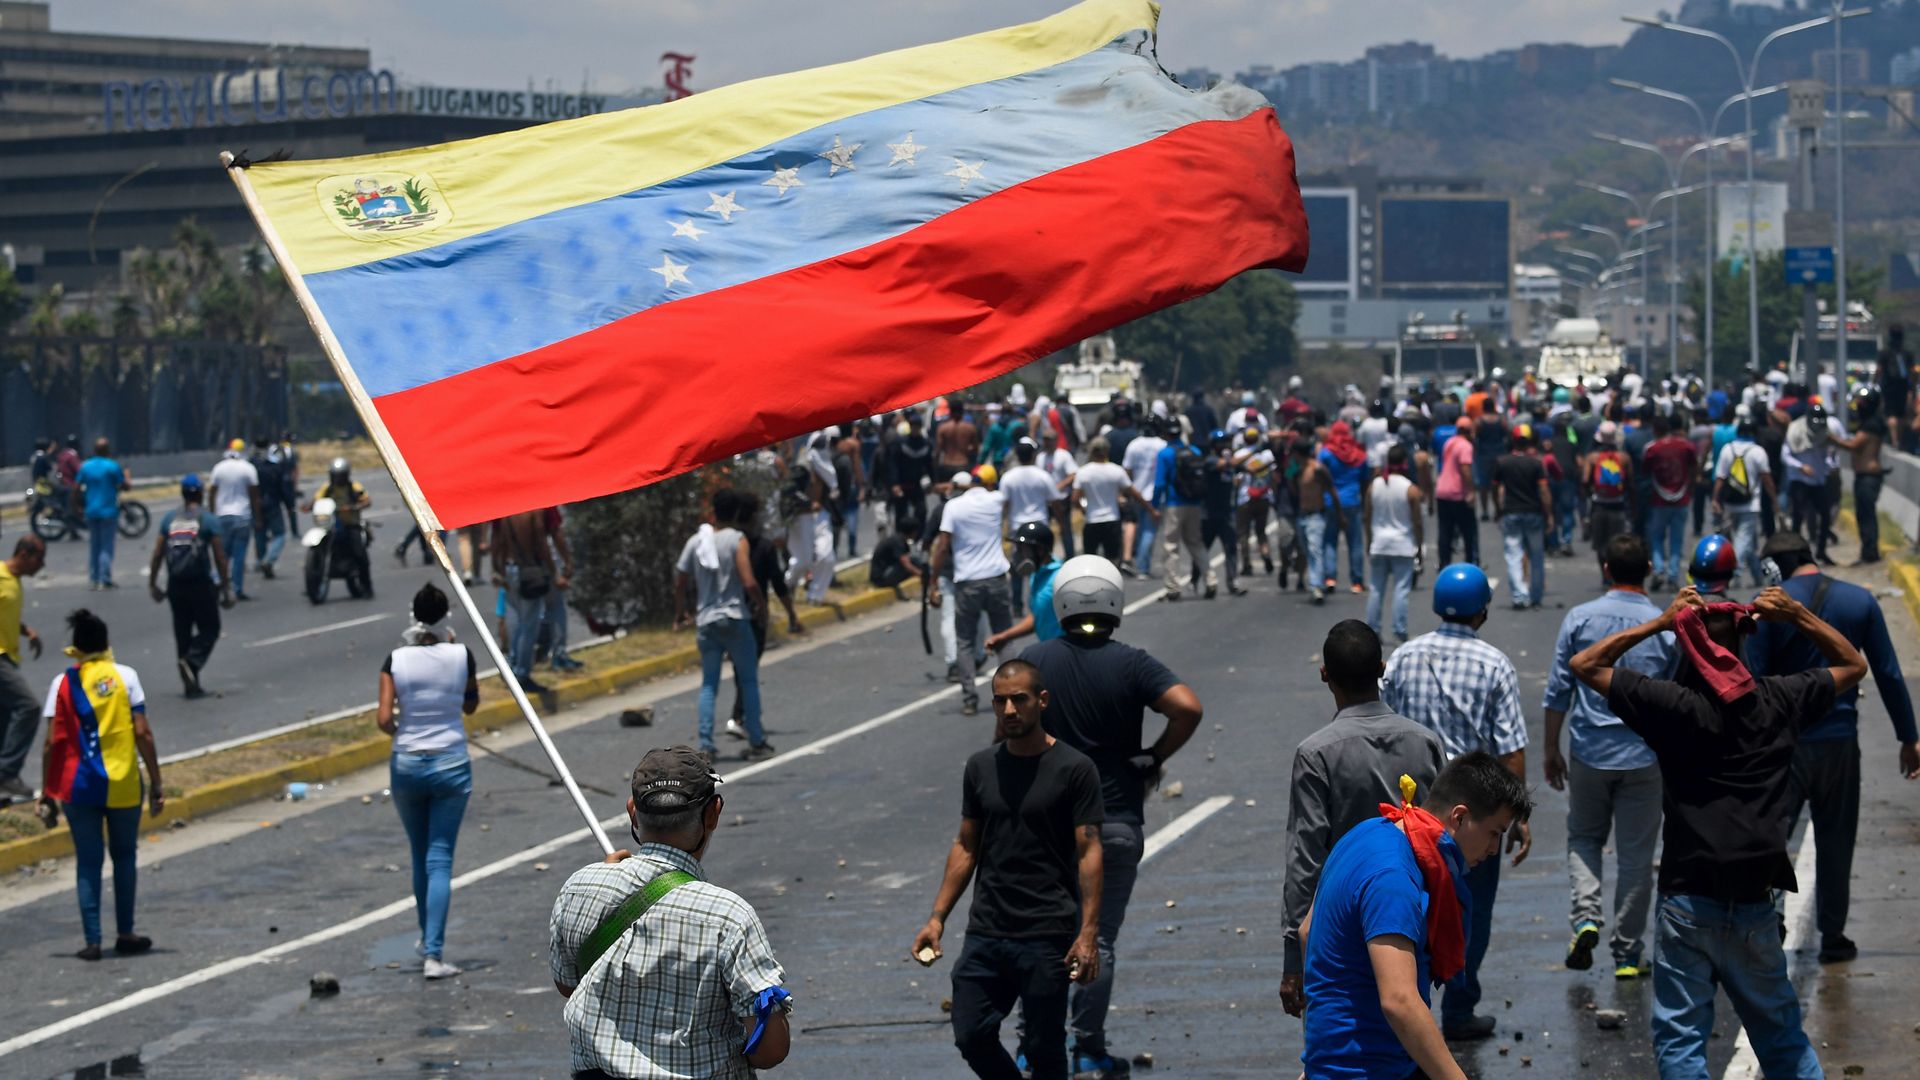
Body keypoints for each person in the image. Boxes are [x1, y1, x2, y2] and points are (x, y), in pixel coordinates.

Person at [1570, 585, 1866, 1080]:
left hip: (1689, 896)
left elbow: (1584, 665)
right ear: (1744, 642)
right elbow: (1853, 665)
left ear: (1689, 645)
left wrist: (1660, 623)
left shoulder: (1669, 704)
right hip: (1754, 899)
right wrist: (1795, 616)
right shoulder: (1780, 700)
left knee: (1682, 1041)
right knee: (1783, 1042)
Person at [1018, 558, 1202, 1075]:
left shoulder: (1034, 661)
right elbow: (1187, 706)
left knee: (1042, 936)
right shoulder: (1133, 663)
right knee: (1097, 938)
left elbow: (1007, 740)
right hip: (1116, 820)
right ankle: (1089, 1049)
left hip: (1046, 827)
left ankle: (1034, 1045)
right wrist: (1154, 755)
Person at [912, 660, 1103, 1080]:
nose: (1010, 710)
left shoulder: (1074, 769)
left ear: (1042, 701)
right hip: (988, 931)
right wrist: (937, 918)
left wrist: (1088, 934)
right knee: (971, 1033)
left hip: (1047, 932)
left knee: (1043, 1046)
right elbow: (966, 846)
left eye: (1020, 699)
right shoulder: (981, 767)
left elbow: (1089, 850)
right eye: (1001, 701)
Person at [550, 747, 792, 1078]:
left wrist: (604, 883)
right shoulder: (729, 917)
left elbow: (569, 983)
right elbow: (770, 1050)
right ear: (713, 814)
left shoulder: (580, 887)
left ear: (633, 811)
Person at [1298, 752, 1533, 1080]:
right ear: (1460, 817)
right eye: (1495, 832)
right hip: (1372, 1068)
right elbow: (1399, 1000)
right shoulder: (1394, 877)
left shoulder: (1366, 832)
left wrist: (1321, 1055)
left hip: (1336, 1062)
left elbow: (1308, 932)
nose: (1495, 848)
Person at [1747, 531, 1919, 963]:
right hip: (1840, 743)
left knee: (1769, 839)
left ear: (1773, 567)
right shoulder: (1859, 600)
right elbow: (1888, 674)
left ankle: (1766, 923)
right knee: (1836, 841)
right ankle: (1834, 936)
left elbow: (1753, 682)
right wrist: (1908, 738)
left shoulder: (1767, 607)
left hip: (1783, 747)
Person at [1380, 563, 1530, 1040]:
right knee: (1471, 912)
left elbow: (1381, 720)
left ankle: (1412, 1007)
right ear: (1482, 611)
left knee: (1409, 910)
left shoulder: (1404, 656)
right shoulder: (1494, 664)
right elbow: (1511, 749)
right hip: (1475, 815)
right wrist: (1516, 818)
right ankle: (1458, 1011)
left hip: (1414, 810)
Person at [1279, 620, 1444, 1019]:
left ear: (1325, 676)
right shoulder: (1425, 742)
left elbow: (1306, 857)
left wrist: (1292, 958)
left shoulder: (1316, 753)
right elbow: (1440, 840)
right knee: (1408, 1018)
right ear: (1383, 668)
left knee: (1347, 1033)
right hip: (1409, 909)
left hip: (1340, 918)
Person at [1541, 534, 1673, 979]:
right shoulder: (1661, 624)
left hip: (1590, 753)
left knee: (1584, 838)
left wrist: (1550, 749)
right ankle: (1629, 955)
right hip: (1644, 755)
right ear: (1649, 569)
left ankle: (1585, 919)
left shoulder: (1579, 619)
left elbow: (1559, 690)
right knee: (1637, 857)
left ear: (1606, 569)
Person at [37, 608, 161, 960]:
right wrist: (156, 782)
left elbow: (50, 743)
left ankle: (92, 941)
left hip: (77, 787)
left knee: (88, 862)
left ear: (75, 647)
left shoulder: (61, 683)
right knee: (124, 857)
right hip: (122, 783)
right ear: (106, 644)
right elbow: (143, 733)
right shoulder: (127, 676)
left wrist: (47, 791)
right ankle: (126, 932)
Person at [378, 583, 480, 980]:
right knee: (440, 859)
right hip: (451, 762)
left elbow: (385, 719)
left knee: (419, 855)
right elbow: (470, 704)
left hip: (406, 763)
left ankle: (426, 939)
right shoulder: (461, 654)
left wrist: (407, 732)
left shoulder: (396, 658)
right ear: (446, 617)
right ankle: (434, 954)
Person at [674, 490, 773, 764]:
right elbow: (749, 581)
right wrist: (762, 609)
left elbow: (680, 578)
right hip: (735, 617)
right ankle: (756, 739)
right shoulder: (737, 540)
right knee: (748, 680)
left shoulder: (696, 541)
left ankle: (706, 744)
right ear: (737, 514)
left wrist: (680, 610)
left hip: (706, 620)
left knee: (709, 684)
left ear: (713, 511)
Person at [929, 464, 1013, 717]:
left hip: (967, 582)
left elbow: (942, 547)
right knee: (1003, 637)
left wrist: (933, 582)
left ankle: (969, 698)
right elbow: (1001, 493)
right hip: (996, 578)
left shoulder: (953, 507)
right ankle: (1012, 692)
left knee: (964, 641)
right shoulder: (995, 500)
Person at [148, 476, 234, 698]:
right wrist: (225, 585)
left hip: (175, 584)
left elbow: (158, 553)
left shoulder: (169, 519)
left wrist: (153, 583)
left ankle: (190, 683)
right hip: (200, 584)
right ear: (201, 494)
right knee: (210, 628)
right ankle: (192, 661)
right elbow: (219, 556)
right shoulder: (208, 520)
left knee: (182, 632)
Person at [491, 508, 561, 694]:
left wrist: (496, 567)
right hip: (529, 570)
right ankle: (521, 672)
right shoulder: (533, 512)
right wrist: (553, 571)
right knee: (529, 626)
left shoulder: (505, 513)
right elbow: (541, 542)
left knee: (514, 619)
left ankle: (512, 664)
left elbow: (498, 540)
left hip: (510, 567)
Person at [0, 536, 47, 800]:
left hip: (8, 655)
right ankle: (6, 774)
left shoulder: (14, 581)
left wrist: (25, 630)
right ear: (25, 554)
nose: (42, 565)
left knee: (5, 720)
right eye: (40, 558)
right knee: (28, 706)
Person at [1363, 445, 1425, 640]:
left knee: (1376, 589)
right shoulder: (1410, 489)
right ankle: (1399, 629)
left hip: (1379, 544)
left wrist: (1369, 541)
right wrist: (1419, 546)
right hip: (1403, 545)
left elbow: (1367, 517)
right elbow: (1417, 522)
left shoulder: (1374, 486)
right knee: (1401, 589)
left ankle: (1373, 629)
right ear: (1405, 464)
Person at [1491, 423, 1552, 609]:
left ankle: (1519, 596)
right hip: (1533, 512)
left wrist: (1497, 509)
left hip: (1511, 512)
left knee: (1513, 556)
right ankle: (1536, 596)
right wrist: (1549, 515)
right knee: (1537, 556)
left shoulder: (1502, 462)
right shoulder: (1536, 464)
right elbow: (1544, 491)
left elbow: (1494, 487)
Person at [1711, 416, 1776, 588]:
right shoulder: (1758, 451)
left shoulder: (1727, 450)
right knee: (1743, 540)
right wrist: (1774, 501)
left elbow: (1720, 478)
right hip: (1750, 505)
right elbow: (1767, 479)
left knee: (1747, 542)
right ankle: (1735, 573)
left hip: (1730, 503)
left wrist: (1715, 499)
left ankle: (1757, 577)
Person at [1154, 420, 1214, 602]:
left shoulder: (1165, 454)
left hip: (1174, 504)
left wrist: (1155, 506)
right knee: (1196, 543)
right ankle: (1211, 580)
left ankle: (1173, 587)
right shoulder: (1194, 451)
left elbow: (1160, 483)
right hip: (1194, 503)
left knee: (1171, 546)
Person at [985, 522, 1064, 653]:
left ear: (1039, 550)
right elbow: (1037, 616)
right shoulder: (1037, 575)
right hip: (1050, 650)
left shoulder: (1060, 578)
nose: (1019, 555)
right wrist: (1004, 636)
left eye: (1023, 549)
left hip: (1064, 653)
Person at [1000, 439, 1056, 617]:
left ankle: (1017, 605)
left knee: (1018, 566)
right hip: (1040, 525)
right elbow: (1053, 499)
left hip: (1019, 527)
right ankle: (1041, 600)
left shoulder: (1008, 477)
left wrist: (1004, 524)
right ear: (1033, 455)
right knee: (1043, 564)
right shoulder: (1042, 475)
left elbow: (1004, 504)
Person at [1071, 437, 1149, 566]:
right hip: (1112, 519)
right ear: (1107, 451)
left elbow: (1074, 499)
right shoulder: (1116, 470)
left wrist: (1083, 509)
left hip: (1092, 519)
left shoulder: (1083, 472)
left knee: (1090, 559)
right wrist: (1149, 508)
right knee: (1112, 559)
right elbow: (1133, 492)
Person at [1837, 386, 1890, 564]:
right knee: (1864, 514)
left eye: (1861, 401)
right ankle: (1868, 550)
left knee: (1867, 515)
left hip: (1868, 476)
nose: (1858, 404)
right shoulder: (1869, 422)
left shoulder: (1871, 424)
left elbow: (1854, 446)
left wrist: (1830, 438)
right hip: (1865, 476)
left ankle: (1870, 552)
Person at [1318, 421, 1371, 594]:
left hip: (1330, 502)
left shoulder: (1326, 453)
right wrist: (1365, 504)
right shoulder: (1359, 455)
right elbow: (1365, 482)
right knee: (1355, 543)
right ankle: (1356, 582)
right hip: (1352, 502)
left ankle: (1330, 578)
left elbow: (1318, 475)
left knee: (1329, 542)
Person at [1782, 402, 1837, 565]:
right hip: (1800, 481)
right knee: (1798, 517)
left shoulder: (1825, 432)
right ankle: (1796, 554)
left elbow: (1828, 456)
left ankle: (1821, 551)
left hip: (1818, 481)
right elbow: (1785, 456)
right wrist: (1801, 467)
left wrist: (1830, 466)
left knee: (1825, 516)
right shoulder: (1795, 431)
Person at [207, 439, 261, 602]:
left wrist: (212, 515)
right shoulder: (248, 468)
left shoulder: (219, 467)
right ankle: (236, 588)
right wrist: (257, 517)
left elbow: (212, 493)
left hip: (222, 516)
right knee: (239, 555)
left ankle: (217, 582)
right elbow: (254, 495)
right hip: (242, 516)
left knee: (221, 554)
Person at [74, 438, 129, 590]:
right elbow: (125, 486)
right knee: (106, 546)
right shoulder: (112, 466)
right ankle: (104, 578)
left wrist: (76, 506)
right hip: (108, 511)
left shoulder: (86, 466)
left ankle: (94, 578)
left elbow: (76, 487)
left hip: (91, 510)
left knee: (94, 546)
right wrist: (127, 474)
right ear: (108, 450)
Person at [1199, 428, 1247, 597]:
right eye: (1220, 443)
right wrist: (1254, 449)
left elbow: (1237, 473)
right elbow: (1228, 464)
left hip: (1227, 513)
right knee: (1202, 549)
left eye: (1225, 442)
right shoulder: (1211, 461)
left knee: (1231, 548)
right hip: (1209, 514)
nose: (1224, 446)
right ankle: (1195, 579)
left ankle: (1233, 582)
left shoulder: (1229, 463)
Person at [1121, 416, 1167, 577]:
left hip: (1137, 493)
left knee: (1141, 529)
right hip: (1156, 495)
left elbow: (1127, 470)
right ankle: (1142, 566)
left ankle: (1141, 563)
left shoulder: (1134, 445)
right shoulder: (1162, 445)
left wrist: (1129, 491)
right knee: (1149, 531)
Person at [1295, 437, 1338, 604]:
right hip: (1302, 515)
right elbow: (1290, 485)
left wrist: (1339, 514)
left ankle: (1316, 586)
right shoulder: (1297, 470)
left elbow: (1331, 490)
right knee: (1307, 551)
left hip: (1316, 515)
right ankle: (1316, 581)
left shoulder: (1318, 469)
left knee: (1315, 551)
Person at [1433, 417, 1478, 568]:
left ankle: (1444, 563)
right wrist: (1471, 490)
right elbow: (1465, 469)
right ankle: (1471, 562)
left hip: (1442, 490)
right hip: (1457, 492)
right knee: (1468, 531)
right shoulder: (1466, 446)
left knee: (1445, 530)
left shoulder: (1449, 443)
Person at [1232, 427, 1277, 578]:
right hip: (1264, 497)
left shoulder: (1240, 455)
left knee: (1243, 533)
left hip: (1245, 498)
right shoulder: (1267, 455)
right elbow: (1274, 475)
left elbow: (1236, 479)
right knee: (1261, 532)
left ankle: (1246, 564)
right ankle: (1266, 555)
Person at [248, 434, 289, 579]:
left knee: (259, 533)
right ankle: (269, 559)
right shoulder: (275, 465)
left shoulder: (250, 466)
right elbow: (283, 487)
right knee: (279, 534)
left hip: (255, 504)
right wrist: (289, 504)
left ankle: (261, 560)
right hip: (272, 503)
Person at [1038, 429, 1079, 560]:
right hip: (1045, 501)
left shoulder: (1063, 455)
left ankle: (1070, 557)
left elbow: (1073, 474)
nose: (1047, 442)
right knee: (1045, 530)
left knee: (1065, 529)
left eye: (1049, 439)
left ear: (1055, 440)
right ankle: (1046, 557)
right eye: (1045, 439)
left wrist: (1058, 487)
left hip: (1061, 499)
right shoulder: (1040, 457)